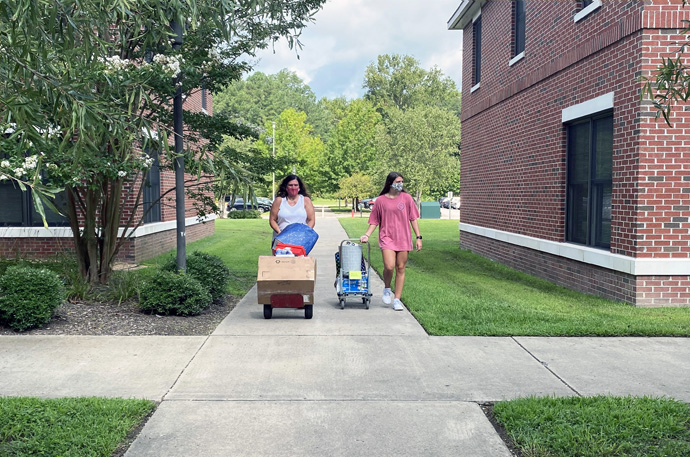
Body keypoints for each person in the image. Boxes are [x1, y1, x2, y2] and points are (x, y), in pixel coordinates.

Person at [360, 172, 422, 311]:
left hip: (404, 238)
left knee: (401, 268)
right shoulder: (381, 201)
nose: (400, 184)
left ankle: (397, 299)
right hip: (387, 237)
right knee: (389, 266)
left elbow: (413, 219)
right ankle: (387, 288)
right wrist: (367, 235)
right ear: (390, 183)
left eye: (401, 181)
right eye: (398, 181)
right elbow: (374, 221)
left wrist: (418, 237)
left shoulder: (406, 198)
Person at [269, 174, 316, 244]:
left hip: (300, 239)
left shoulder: (306, 200)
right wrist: (279, 232)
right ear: (286, 187)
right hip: (281, 239)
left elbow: (311, 219)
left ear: (299, 187)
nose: (293, 187)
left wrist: (305, 233)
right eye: (290, 185)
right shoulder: (279, 200)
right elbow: (272, 219)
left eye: (295, 185)